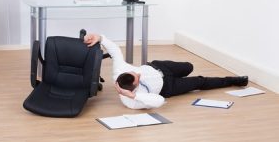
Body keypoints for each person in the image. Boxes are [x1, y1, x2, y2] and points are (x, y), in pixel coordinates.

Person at [84, 34, 248, 110]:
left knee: (189, 66)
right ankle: (234, 81)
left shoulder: (120, 69)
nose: (139, 74)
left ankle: (183, 69)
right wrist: (135, 96)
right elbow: (159, 100)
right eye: (138, 78)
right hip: (168, 86)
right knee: (200, 81)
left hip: (160, 67)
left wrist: (99, 37)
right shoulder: (131, 102)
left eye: (136, 72)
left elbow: (113, 49)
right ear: (132, 89)